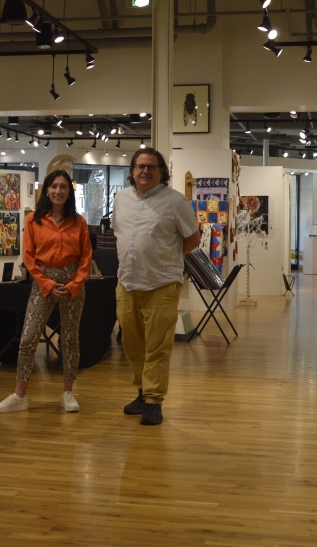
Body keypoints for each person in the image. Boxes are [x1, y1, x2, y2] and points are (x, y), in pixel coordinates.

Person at [0, 170, 93, 414]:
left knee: (70, 340)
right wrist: (47, 284)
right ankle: (20, 395)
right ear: (46, 190)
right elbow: (28, 257)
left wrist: (73, 285)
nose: (58, 191)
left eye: (63, 187)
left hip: (73, 285)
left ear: (69, 192)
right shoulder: (33, 220)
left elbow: (86, 257)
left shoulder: (78, 222)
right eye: (54, 186)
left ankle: (68, 393)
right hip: (43, 283)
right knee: (27, 340)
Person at [112, 149, 200, 425]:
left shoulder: (176, 202)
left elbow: (192, 240)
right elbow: (119, 234)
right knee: (132, 343)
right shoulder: (120, 198)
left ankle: (153, 400)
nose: (145, 171)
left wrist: (167, 260)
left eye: (151, 167)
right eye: (140, 167)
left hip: (161, 284)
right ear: (132, 171)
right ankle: (141, 391)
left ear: (162, 172)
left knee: (158, 346)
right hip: (126, 283)